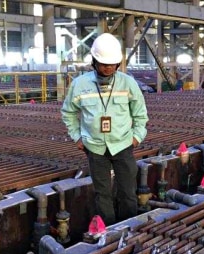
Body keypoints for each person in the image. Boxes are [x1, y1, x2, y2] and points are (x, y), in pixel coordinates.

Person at [61, 32, 149, 226]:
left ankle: (129, 227)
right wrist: (77, 137)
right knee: (103, 194)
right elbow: (68, 113)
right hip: (95, 147)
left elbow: (141, 114)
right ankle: (108, 231)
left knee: (127, 191)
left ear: (118, 63)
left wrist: (136, 137)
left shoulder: (128, 83)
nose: (108, 68)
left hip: (123, 145)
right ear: (93, 61)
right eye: (103, 64)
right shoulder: (80, 85)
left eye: (112, 64)